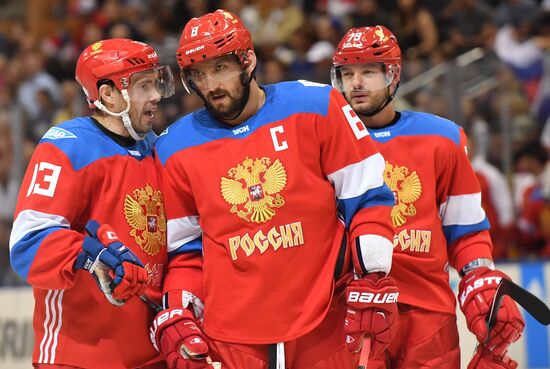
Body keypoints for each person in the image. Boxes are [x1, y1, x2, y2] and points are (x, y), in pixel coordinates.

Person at [151, 9, 397, 369]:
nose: (211, 85)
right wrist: (181, 310)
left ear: (248, 60)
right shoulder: (175, 147)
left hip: (324, 317)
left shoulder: (316, 105)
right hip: (232, 334)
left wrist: (373, 276)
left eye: (220, 68)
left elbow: (367, 199)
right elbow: (186, 249)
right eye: (199, 75)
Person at [331, 26, 525, 369]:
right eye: (347, 74)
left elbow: (465, 228)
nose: (356, 84)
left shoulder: (442, 138)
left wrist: (479, 276)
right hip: (351, 313)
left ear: (392, 76)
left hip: (427, 314)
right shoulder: (323, 141)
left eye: (367, 72)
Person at [9, 38, 175, 368]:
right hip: (79, 354)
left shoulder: (158, 149)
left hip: (152, 353)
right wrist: (91, 256)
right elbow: (28, 244)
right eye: (143, 86)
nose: (155, 95)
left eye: (155, 83)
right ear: (107, 94)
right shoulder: (67, 147)